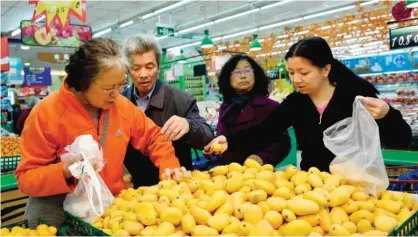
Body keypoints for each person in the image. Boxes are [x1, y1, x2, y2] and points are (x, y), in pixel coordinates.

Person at [15, 38, 187, 228]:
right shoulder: (46, 114)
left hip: (110, 211)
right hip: (59, 214)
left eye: (121, 86)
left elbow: (153, 137)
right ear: (83, 82)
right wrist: (64, 171)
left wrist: (169, 165)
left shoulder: (121, 107)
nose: (116, 94)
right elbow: (26, 178)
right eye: (108, 88)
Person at [207, 37, 412, 172]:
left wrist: (388, 115)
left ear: (325, 70)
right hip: (312, 187)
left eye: (304, 73)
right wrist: (230, 141)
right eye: (291, 73)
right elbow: (264, 132)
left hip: (355, 187)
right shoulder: (296, 103)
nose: (296, 80)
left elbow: (401, 139)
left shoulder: (356, 97)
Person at [122, 35, 214, 187]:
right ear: (127, 70)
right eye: (136, 68)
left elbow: (207, 136)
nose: (143, 74)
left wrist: (189, 125)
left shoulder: (181, 100)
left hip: (175, 188)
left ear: (158, 67)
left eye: (149, 66)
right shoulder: (120, 102)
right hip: (134, 191)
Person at [204, 54, 291, 166]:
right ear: (228, 78)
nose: (243, 76)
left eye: (247, 70)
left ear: (256, 75)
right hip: (228, 173)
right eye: (236, 72)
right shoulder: (226, 107)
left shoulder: (270, 106)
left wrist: (262, 157)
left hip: (259, 175)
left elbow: (283, 143)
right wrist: (214, 150)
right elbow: (224, 137)